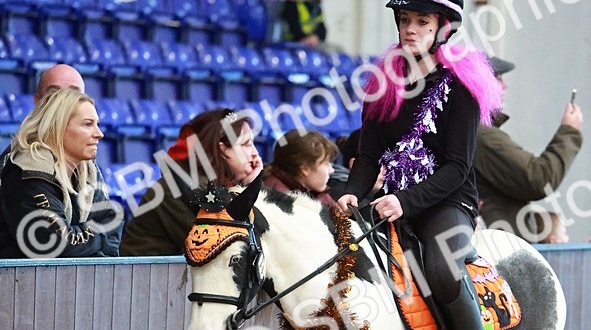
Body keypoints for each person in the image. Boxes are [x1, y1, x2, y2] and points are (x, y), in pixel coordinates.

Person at [338, 0, 508, 330]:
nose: (409, 29)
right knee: (334, 258)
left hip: (446, 202)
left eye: (421, 21)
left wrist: (405, 204)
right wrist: (349, 195)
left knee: (441, 267)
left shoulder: (461, 86)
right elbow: (368, 156)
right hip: (388, 196)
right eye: (405, 20)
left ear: (443, 27)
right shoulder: (383, 83)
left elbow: (457, 168)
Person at [119, 108, 262, 256]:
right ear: (223, 149)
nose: (255, 153)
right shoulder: (179, 189)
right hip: (145, 276)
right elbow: (220, 246)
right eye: (246, 144)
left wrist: (254, 186)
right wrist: (253, 188)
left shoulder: (218, 185)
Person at [0, 87, 122, 259]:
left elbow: (112, 220)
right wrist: (100, 234)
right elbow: (57, 244)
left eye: (97, 124)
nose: (99, 134)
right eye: (88, 124)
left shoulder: (87, 171)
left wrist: (84, 240)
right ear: (57, 127)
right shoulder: (29, 174)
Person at [473, 56, 582, 241]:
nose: (504, 86)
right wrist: (569, 131)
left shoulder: (476, 133)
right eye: (497, 78)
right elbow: (540, 179)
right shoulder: (481, 136)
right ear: (480, 86)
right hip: (499, 256)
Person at [264, 129, 338, 208]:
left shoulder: (313, 191)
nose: (331, 170)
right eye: (326, 163)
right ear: (305, 169)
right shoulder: (279, 200)